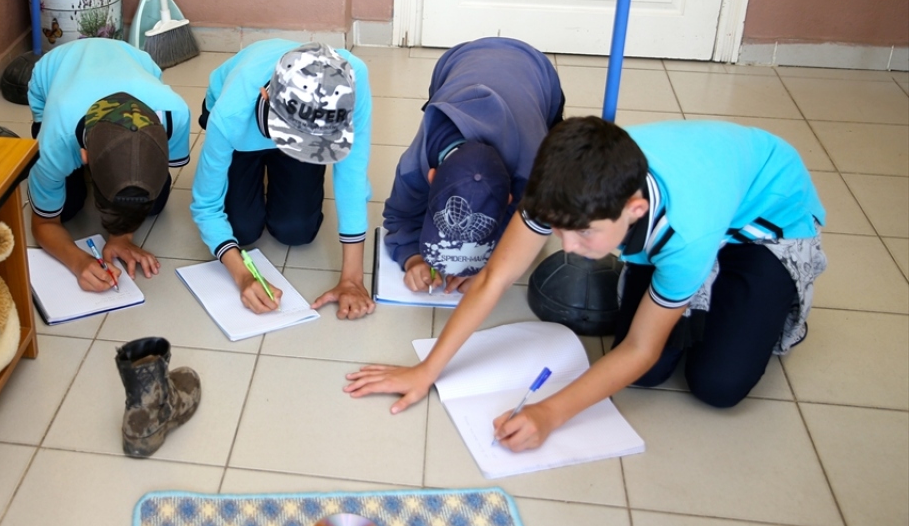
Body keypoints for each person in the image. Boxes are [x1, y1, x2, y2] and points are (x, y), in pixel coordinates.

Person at [346, 117, 826, 451]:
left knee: (717, 384)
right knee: (650, 376)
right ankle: (693, 293)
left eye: (585, 234)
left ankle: (715, 285)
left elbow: (640, 346)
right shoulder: (562, 187)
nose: (570, 249)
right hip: (687, 211)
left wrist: (548, 414)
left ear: (634, 211)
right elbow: (495, 276)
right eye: (558, 229)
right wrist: (426, 371)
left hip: (762, 225)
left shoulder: (686, 231)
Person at [191, 40, 374, 319]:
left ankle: (285, 160)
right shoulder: (229, 114)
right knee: (241, 231)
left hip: (295, 121)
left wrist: (352, 278)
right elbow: (206, 205)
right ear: (266, 95)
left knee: (296, 230)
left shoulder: (351, 80)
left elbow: (352, 175)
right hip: (243, 129)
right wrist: (243, 277)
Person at [383, 37, 563, 294]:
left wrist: (490, 271)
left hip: (537, 70)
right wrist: (412, 257)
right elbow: (400, 215)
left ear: (511, 196)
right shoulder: (415, 166)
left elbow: (529, 226)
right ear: (431, 177)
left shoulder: (531, 174)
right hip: (457, 60)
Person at [28, 38, 191, 291]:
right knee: (67, 208)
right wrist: (78, 261)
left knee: (154, 202)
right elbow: (44, 224)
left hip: (132, 60)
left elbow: (152, 168)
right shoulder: (54, 141)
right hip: (57, 69)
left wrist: (121, 237)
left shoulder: (174, 114)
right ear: (85, 157)